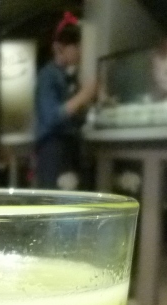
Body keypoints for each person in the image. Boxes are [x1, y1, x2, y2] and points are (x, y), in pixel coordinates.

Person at [34, 13, 97, 190]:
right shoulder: (48, 76)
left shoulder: (68, 77)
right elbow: (51, 117)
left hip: (68, 147)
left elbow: (74, 116)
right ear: (59, 47)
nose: (79, 52)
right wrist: (83, 95)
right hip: (53, 148)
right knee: (55, 200)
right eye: (76, 46)